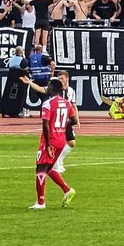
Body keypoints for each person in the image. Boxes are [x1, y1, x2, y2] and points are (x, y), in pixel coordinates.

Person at [31, 77, 77, 210]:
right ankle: (67, 190)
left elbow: (45, 125)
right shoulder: (67, 103)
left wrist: (48, 143)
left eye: (49, 86)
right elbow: (73, 120)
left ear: (53, 89)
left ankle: (40, 203)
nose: (47, 88)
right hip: (61, 140)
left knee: (40, 170)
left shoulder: (48, 104)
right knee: (49, 168)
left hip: (49, 141)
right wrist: (63, 126)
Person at [22, 70, 76, 174]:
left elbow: (73, 105)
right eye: (59, 78)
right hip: (55, 120)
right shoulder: (53, 89)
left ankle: (58, 160)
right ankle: (56, 162)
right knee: (59, 142)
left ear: (67, 79)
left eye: (62, 78)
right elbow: (41, 89)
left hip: (64, 120)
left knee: (71, 142)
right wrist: (30, 83)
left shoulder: (70, 91)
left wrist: (76, 119)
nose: (60, 80)